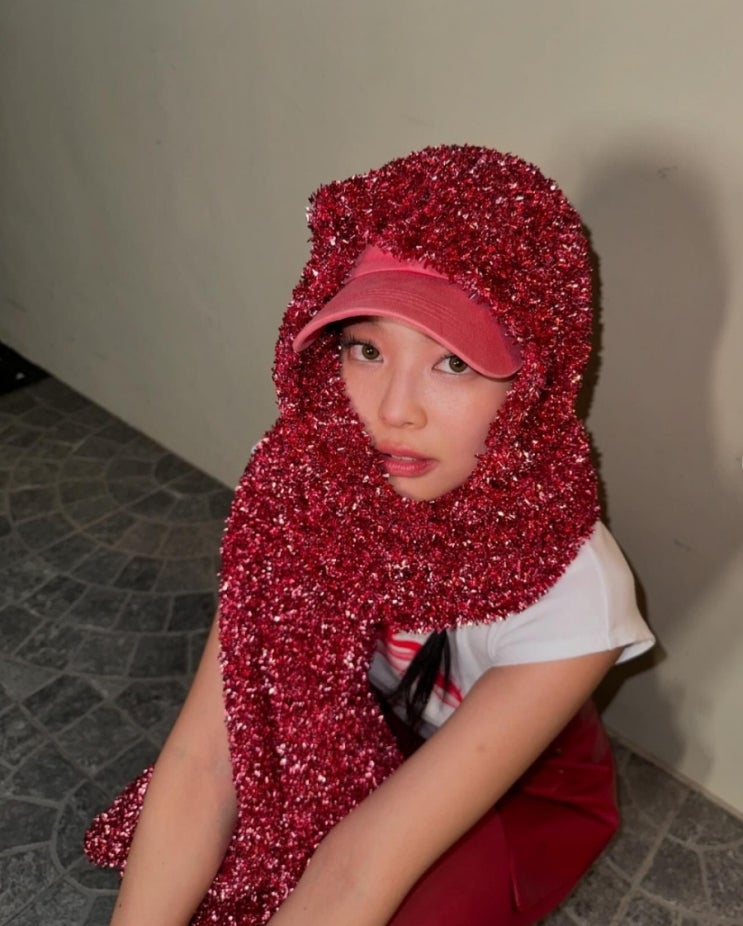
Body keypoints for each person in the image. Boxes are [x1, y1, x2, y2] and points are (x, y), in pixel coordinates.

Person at [85, 144, 655, 926]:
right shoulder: (300, 482)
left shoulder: (576, 595)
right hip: (364, 720)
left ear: (531, 382)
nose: (392, 411)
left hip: (517, 788)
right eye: (366, 349)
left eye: (452, 363)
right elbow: (202, 758)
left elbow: (360, 868)